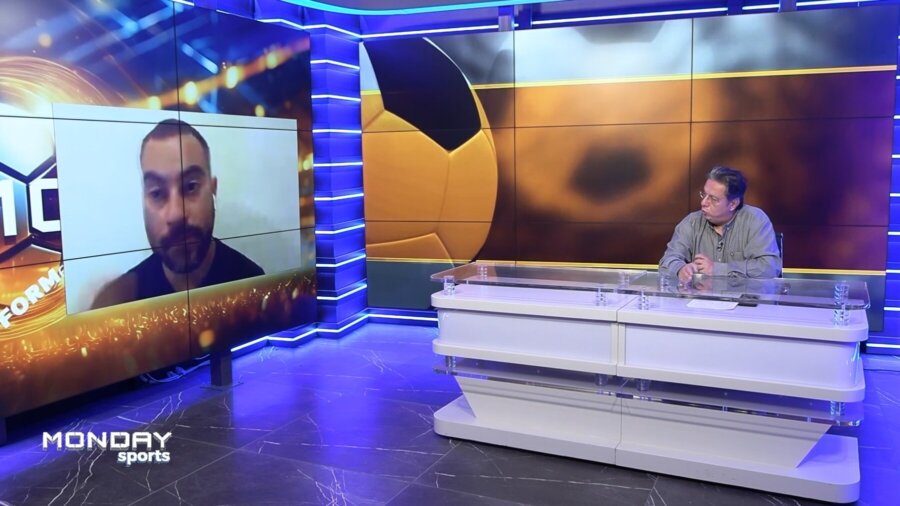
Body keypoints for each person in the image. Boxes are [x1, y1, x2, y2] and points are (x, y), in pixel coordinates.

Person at [91, 119, 263, 310]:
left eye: (191, 187)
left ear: (213, 190)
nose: (176, 214)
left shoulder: (255, 286)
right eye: (157, 193)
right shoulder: (117, 305)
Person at [658, 166, 781, 282]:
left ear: (733, 204)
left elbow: (770, 267)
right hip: (700, 296)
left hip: (743, 296)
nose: (703, 202)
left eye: (713, 199)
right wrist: (680, 269)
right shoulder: (691, 222)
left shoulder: (755, 220)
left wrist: (718, 269)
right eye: (704, 194)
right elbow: (667, 261)